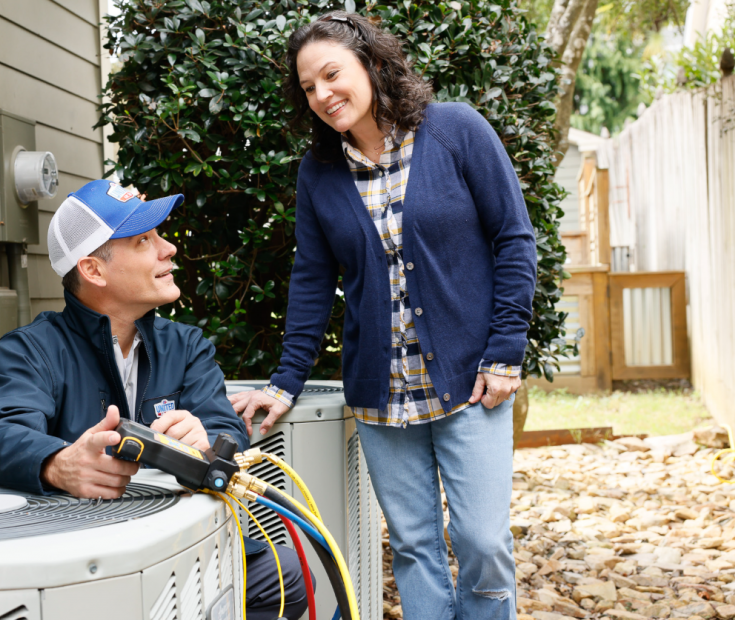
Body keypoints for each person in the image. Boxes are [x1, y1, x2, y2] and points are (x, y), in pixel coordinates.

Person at [230, 13, 536, 620]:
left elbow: (514, 238)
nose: (322, 94)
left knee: (483, 541)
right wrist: (285, 381)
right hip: (381, 395)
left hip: (470, 384)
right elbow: (313, 279)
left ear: (371, 64)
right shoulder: (319, 173)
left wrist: (505, 351)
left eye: (332, 74)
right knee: (415, 547)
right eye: (308, 87)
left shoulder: (456, 130)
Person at [0, 180, 309, 620]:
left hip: (180, 548)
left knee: (284, 575)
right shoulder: (32, 349)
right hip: (83, 564)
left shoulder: (186, 346)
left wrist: (208, 443)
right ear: (94, 270)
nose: (168, 249)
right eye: (144, 240)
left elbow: (227, 430)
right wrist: (58, 463)